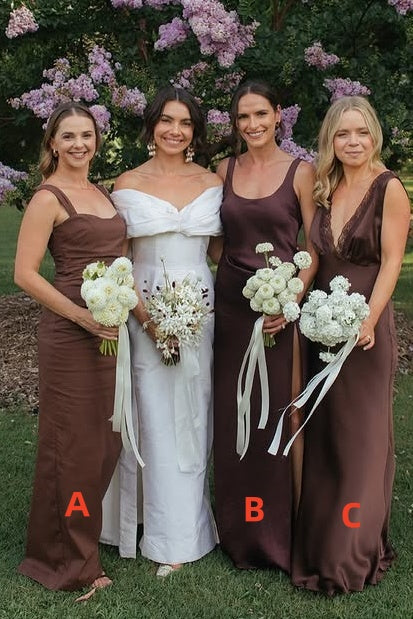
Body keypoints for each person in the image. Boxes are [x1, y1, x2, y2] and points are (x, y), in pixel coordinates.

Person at [100, 85, 222, 576]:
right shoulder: (127, 182)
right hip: (144, 309)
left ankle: (182, 533)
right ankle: (139, 521)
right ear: (152, 126)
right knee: (151, 415)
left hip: (200, 311)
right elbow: (120, 260)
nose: (176, 130)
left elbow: (221, 252)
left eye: (186, 122)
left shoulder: (212, 181)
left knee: (193, 413)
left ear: (195, 131)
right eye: (167, 121)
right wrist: (149, 321)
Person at [292, 96, 410, 594]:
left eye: (361, 132)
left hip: (364, 332)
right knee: (326, 435)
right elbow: (315, 256)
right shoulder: (326, 186)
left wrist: (369, 319)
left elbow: (391, 262)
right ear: (331, 141)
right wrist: (291, 298)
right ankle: (321, 538)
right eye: (343, 134)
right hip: (320, 326)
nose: (353, 142)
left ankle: (352, 550)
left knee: (362, 437)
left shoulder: (390, 188)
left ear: (374, 135)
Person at [15, 102, 126, 599]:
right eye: (69, 136)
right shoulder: (48, 197)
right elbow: (24, 274)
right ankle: (67, 561)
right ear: (53, 144)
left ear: (96, 140)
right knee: (73, 449)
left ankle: (71, 542)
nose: (79, 144)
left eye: (86, 135)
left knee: (104, 446)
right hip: (70, 337)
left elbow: (119, 264)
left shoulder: (101, 192)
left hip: (110, 334)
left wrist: (142, 319)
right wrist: (82, 317)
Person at [213, 80, 318, 571]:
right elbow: (215, 241)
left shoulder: (302, 172)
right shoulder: (223, 170)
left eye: (261, 114)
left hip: (280, 309)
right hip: (233, 307)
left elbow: (314, 248)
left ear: (279, 115)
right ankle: (238, 526)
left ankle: (287, 529)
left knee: (281, 412)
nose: (252, 124)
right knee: (233, 409)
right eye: (243, 117)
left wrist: (289, 297)